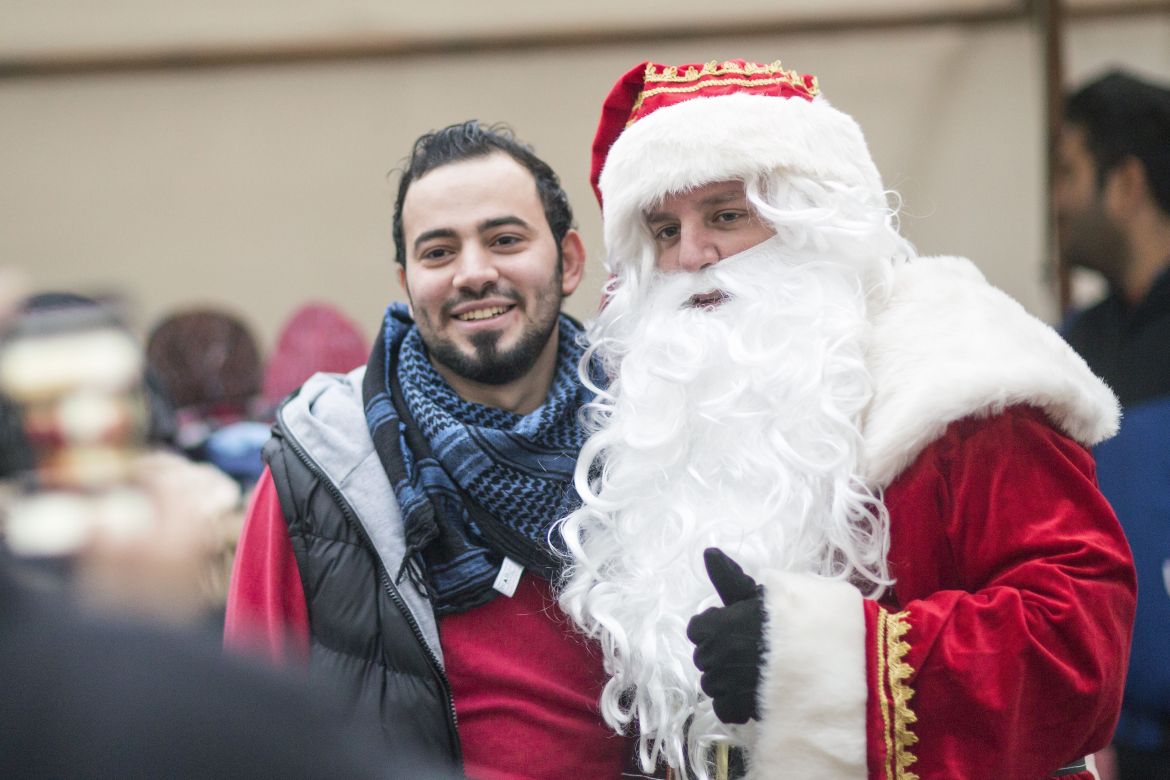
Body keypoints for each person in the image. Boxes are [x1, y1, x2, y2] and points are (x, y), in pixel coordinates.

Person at [558, 59, 1137, 780]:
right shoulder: (672, 424)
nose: (692, 256)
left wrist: (822, 661)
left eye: (726, 216)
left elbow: (1078, 640)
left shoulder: (958, 373)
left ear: (814, 220)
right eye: (664, 231)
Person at [225, 121, 632, 777]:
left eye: (505, 240)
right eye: (438, 253)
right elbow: (246, 722)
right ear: (407, 284)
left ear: (571, 260)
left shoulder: (652, 434)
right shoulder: (323, 460)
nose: (474, 273)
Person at [1057, 70, 1170, 779]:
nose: (1057, 202)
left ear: (1125, 183)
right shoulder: (1069, 348)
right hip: (1107, 741)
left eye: (1068, 172)